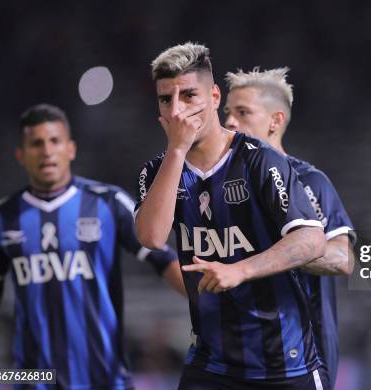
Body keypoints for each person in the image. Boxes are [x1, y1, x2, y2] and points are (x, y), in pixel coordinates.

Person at [134, 42, 329, 389]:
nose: (178, 111)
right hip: (211, 365)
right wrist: (177, 150)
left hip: (284, 365)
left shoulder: (259, 160)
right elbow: (150, 237)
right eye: (166, 99)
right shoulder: (156, 172)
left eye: (189, 96)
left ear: (213, 97)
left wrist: (241, 269)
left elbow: (312, 240)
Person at [0, 104, 185, 388]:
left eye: (54, 141)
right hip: (34, 380)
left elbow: (163, 259)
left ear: (71, 149)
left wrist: (210, 305)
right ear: (21, 154)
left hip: (104, 378)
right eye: (36, 143)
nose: (46, 151)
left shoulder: (107, 202)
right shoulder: (2, 216)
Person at [223, 66, 354, 387]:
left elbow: (343, 258)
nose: (228, 122)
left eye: (242, 112)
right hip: (237, 356)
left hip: (302, 359)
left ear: (275, 120)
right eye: (226, 112)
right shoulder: (221, 186)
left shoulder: (308, 181)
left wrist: (276, 251)